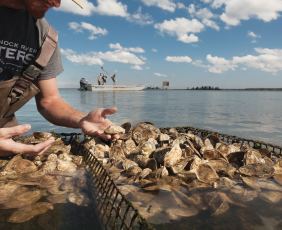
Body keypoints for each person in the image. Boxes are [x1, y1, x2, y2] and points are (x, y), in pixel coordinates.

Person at [0, 0, 118, 157]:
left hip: (6, 136)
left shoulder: (46, 37)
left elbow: (49, 101)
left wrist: (82, 119)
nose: (57, 4)